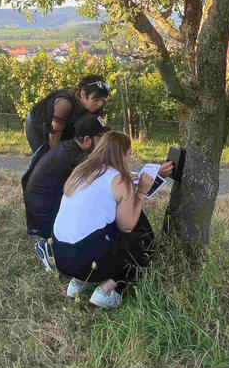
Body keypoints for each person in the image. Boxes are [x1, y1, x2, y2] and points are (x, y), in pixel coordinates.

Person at [52, 130, 173, 310]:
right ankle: (106, 290)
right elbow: (127, 226)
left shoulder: (81, 171)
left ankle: (79, 283)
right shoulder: (119, 180)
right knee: (143, 240)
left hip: (60, 256)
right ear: (121, 155)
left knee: (96, 227)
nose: (130, 159)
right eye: (129, 154)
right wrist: (141, 192)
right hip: (87, 260)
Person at [24, 113, 109, 270]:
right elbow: (102, 181)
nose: (105, 144)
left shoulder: (70, 147)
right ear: (87, 140)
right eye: (101, 139)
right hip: (44, 215)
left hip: (38, 208)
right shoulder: (79, 158)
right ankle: (51, 247)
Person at [24, 75, 110, 155]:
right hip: (37, 124)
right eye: (96, 100)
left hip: (64, 125)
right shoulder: (64, 104)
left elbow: (99, 131)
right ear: (83, 94)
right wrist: (56, 159)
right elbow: (53, 138)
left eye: (102, 100)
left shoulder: (93, 106)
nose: (100, 104)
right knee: (44, 156)